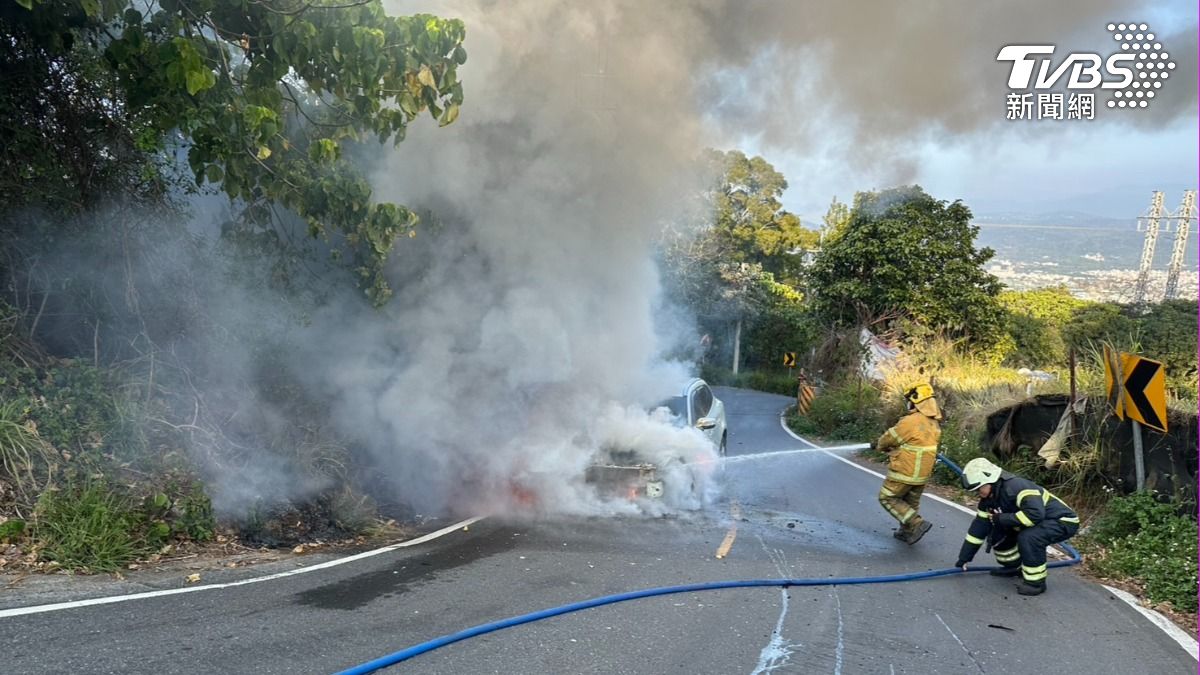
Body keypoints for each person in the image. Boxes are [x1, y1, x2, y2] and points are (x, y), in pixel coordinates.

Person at [954, 457, 1080, 596]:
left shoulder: (1017, 487)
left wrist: (1002, 518)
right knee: (998, 535)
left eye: (979, 489)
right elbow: (979, 528)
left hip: (1062, 521)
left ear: (990, 481)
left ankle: (1036, 583)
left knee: (1029, 538)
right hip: (1037, 521)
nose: (978, 493)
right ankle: (1015, 567)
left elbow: (1035, 515)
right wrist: (964, 557)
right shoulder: (988, 500)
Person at [875, 382, 942, 544]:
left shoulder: (910, 421)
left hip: (904, 471)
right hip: (922, 475)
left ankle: (916, 523)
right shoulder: (934, 424)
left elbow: (890, 438)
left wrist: (879, 445)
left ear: (916, 401)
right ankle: (907, 532)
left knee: (887, 497)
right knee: (910, 503)